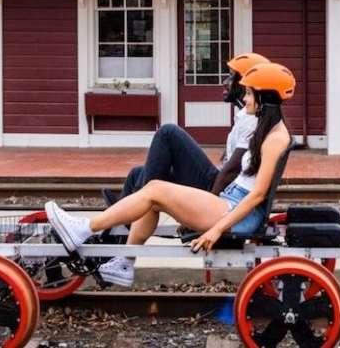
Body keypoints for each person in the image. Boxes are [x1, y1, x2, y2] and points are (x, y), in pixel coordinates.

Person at [45, 62, 296, 287]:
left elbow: (257, 195)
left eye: (251, 93)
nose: (246, 98)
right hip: (232, 203)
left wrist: (216, 229)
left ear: (265, 97)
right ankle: (124, 263)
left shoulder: (275, 138)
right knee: (154, 191)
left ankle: (84, 229)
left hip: (238, 211)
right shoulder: (267, 128)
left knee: (155, 189)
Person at [102, 52, 269, 205]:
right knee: (136, 174)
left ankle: (136, 205)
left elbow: (233, 169)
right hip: (218, 182)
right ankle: (118, 224)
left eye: (231, 77)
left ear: (245, 84)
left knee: (168, 133)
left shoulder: (250, 120)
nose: (225, 82)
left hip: (218, 190)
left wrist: (209, 202)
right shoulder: (245, 116)